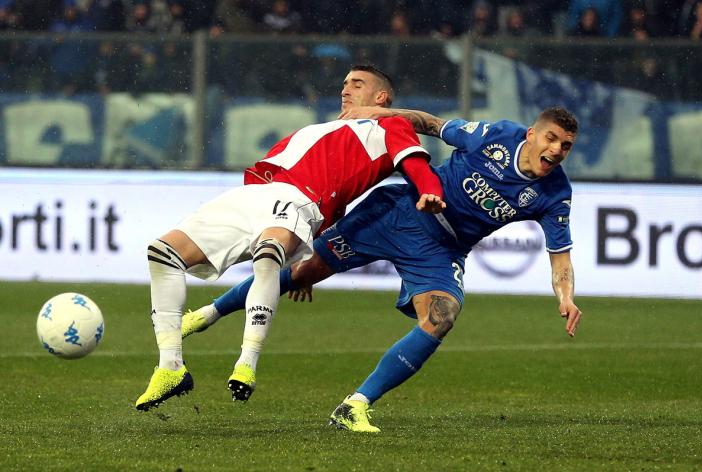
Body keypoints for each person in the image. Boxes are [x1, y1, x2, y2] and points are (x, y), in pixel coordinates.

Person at [182, 105, 584, 432]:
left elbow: (560, 256)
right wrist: (374, 114)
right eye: (551, 138)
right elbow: (430, 124)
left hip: (442, 250)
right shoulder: (495, 136)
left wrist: (565, 297)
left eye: (565, 146)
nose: (556, 150)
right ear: (531, 133)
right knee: (302, 273)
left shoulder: (555, 193)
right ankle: (205, 315)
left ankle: (354, 405)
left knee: (442, 316)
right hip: (397, 213)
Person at [134, 65, 447, 411]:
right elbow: (337, 198)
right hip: (254, 195)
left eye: (357, 84)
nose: (345, 90)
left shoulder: (390, 125)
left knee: (268, 255)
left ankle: (246, 362)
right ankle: (170, 367)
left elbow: (416, 165)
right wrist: (310, 255)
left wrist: (429, 191)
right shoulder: (324, 128)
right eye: (344, 83)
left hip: (299, 200)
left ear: (381, 97)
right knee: (162, 253)